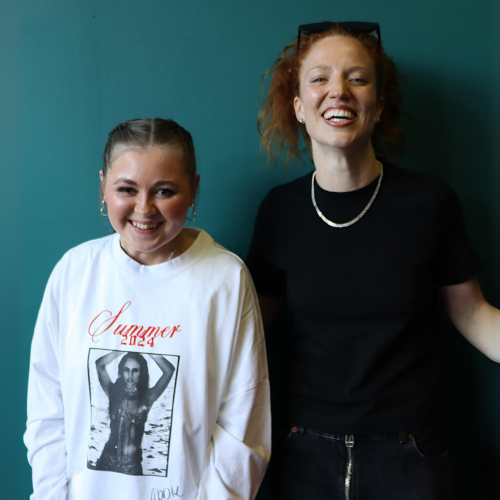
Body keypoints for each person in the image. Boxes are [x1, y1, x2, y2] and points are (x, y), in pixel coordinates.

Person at [247, 22, 500, 500]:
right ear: (299, 106)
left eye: (357, 78)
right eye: (319, 79)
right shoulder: (279, 211)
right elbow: (251, 328)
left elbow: (473, 313)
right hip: (306, 456)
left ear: (378, 104)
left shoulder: (430, 203)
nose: (338, 91)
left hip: (409, 456)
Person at [25, 118, 271, 500]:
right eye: (127, 189)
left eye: (164, 191)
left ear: (193, 191)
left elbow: (244, 426)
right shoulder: (73, 272)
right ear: (104, 187)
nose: (144, 208)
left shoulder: (226, 279)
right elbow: (46, 412)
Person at [94, 351, 174, 475]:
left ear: (141, 373)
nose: (130, 375)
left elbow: (169, 370)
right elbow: (99, 364)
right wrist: (122, 347)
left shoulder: (147, 398)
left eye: (135, 370)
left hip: (132, 466)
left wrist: (148, 347)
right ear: (121, 371)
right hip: (106, 461)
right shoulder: (114, 394)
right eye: (126, 370)